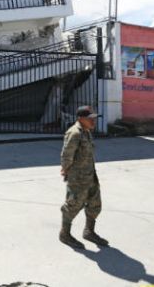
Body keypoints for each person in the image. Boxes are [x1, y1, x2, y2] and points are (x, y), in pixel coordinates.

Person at [59, 105, 110, 249]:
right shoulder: (74, 133)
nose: (93, 121)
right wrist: (66, 170)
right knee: (73, 205)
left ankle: (89, 231)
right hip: (78, 178)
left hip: (90, 175)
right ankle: (64, 234)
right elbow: (66, 155)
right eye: (90, 119)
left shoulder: (86, 131)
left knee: (95, 204)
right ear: (81, 118)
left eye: (94, 118)